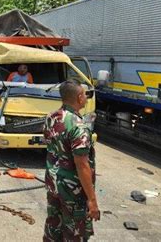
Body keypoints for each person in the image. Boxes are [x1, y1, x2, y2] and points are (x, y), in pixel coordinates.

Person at [43, 79, 99, 241]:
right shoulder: (78, 127)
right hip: (72, 192)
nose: (87, 98)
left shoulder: (50, 117)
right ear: (80, 97)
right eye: (85, 94)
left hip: (54, 185)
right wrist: (92, 200)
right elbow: (82, 165)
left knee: (54, 227)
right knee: (74, 233)